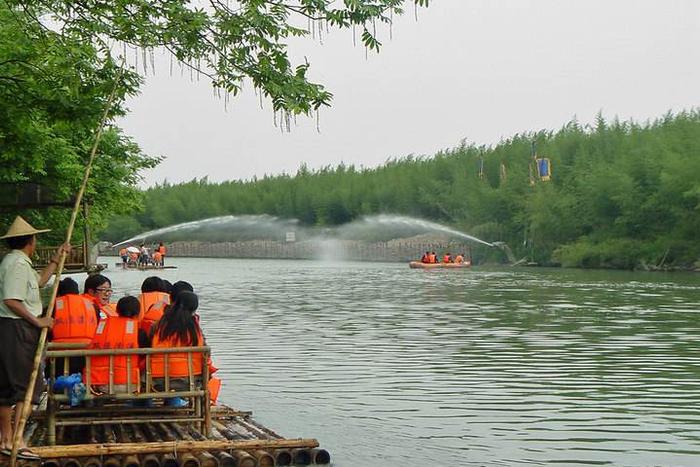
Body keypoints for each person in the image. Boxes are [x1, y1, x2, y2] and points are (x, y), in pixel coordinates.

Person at [0, 216, 70, 459]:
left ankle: (8, 440)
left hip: (11, 328)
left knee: (8, 387)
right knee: (25, 386)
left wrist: (55, 260)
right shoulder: (17, 264)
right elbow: (11, 299)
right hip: (16, 328)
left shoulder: (17, 261)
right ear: (31, 241)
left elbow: (37, 284)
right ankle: (15, 442)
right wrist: (38, 321)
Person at [149, 291, 214, 406]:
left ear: (174, 303)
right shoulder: (195, 329)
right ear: (194, 309)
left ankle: (142, 404)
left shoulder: (159, 325)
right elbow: (206, 354)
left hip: (158, 382)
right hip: (189, 382)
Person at [87, 296, 140, 394]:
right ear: (138, 313)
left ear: (117, 310)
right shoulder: (138, 331)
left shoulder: (102, 327)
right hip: (131, 385)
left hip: (100, 385)